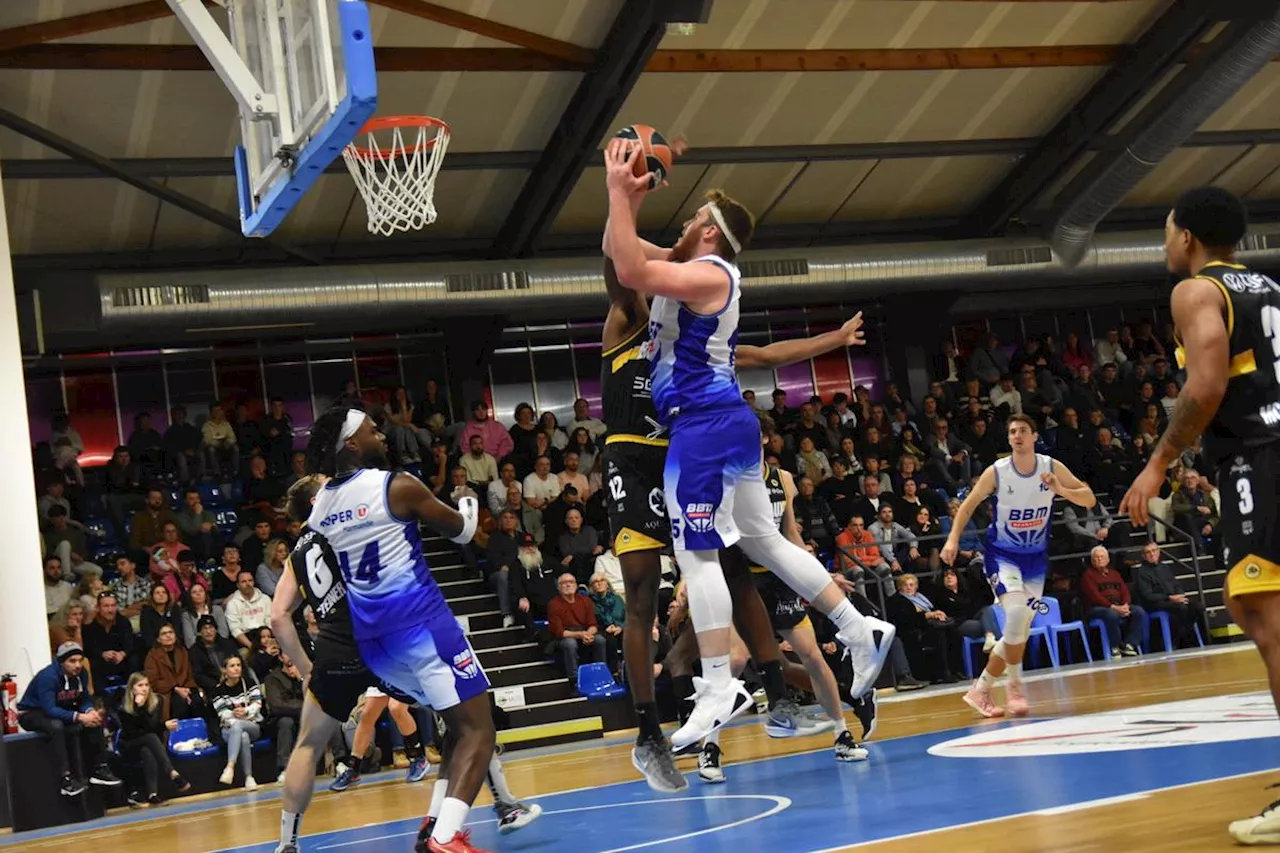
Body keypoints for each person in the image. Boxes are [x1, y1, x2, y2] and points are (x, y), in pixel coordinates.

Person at [600, 145, 890, 787]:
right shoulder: (696, 273)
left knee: (701, 557)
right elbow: (623, 253)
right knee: (759, 540)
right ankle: (857, 624)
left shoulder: (709, 274)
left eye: (691, 219)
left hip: (702, 428)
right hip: (729, 423)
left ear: (709, 230)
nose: (680, 228)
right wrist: (623, 194)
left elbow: (626, 260)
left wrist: (621, 193)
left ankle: (715, 689)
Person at [1115, 187, 1280, 844]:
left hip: (1260, 458)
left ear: (1186, 237)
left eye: (1166, 228)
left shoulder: (1195, 291)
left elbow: (1207, 383)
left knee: (1266, 619)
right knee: (1250, 610)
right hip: (1267, 451)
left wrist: (1157, 464)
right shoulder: (1266, 284)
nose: (1164, 240)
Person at [270, 474, 539, 853]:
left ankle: (286, 844)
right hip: (379, 636)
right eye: (324, 483)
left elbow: (278, 617)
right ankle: (502, 804)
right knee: (467, 718)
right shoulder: (340, 523)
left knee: (307, 744)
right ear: (319, 500)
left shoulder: (297, 556)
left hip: (333, 648)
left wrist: (306, 667)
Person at [306, 408, 502, 853]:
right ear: (351, 444)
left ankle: (433, 827)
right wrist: (467, 499)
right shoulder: (395, 484)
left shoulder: (320, 507)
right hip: (421, 628)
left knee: (457, 725)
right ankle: (447, 839)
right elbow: (463, 531)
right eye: (372, 430)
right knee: (479, 730)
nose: (382, 434)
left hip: (375, 645)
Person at [943, 414, 1097, 718]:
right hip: (1002, 555)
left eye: (1023, 431)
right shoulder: (998, 471)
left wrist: (1060, 490)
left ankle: (981, 689)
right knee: (1014, 614)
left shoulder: (1050, 467)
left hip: (1035, 559)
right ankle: (1015, 688)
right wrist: (952, 540)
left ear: (1034, 436)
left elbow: (1089, 499)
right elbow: (969, 504)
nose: (1017, 436)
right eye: (1012, 431)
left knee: (1018, 629)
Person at [749, 442, 868, 761]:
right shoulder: (731, 478)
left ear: (761, 439)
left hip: (779, 574)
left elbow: (791, 533)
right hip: (744, 580)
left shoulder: (782, 478)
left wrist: (821, 575)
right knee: (732, 661)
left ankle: (842, 734)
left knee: (812, 655)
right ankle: (711, 748)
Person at [16, 642, 121, 796]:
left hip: (60, 709)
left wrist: (90, 712)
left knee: (94, 721)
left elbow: (84, 699)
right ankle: (65, 779)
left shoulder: (82, 673)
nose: (78, 665)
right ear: (61, 662)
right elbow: (49, 709)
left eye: (80, 660)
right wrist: (79, 716)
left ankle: (99, 768)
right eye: (72, 661)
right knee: (57, 726)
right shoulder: (48, 677)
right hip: (31, 713)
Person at [117, 672, 190, 806]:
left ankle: (153, 794)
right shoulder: (124, 707)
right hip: (128, 744)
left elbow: (150, 727)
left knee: (147, 750)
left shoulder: (157, 701)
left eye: (146, 685)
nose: (144, 688)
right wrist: (138, 708)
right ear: (132, 688)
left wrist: (144, 708)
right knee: (149, 738)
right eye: (140, 685)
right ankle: (172, 773)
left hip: (149, 743)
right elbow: (132, 731)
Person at [1080, 546, 1145, 658]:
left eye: (1102, 557)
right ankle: (1115, 646)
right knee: (1110, 614)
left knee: (1138, 611)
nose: (1100, 559)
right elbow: (1095, 597)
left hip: (1118, 605)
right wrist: (1113, 607)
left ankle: (1130, 644)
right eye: (1097, 557)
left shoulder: (1115, 574)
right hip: (1097, 608)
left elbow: (1125, 591)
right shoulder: (1088, 575)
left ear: (1108, 559)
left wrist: (1125, 605)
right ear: (1092, 561)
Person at [211, 654, 265, 789]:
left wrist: (245, 712)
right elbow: (223, 715)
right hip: (229, 729)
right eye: (232, 666)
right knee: (242, 736)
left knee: (240, 726)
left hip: (252, 725)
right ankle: (249, 777)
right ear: (224, 670)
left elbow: (257, 705)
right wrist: (234, 714)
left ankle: (230, 766)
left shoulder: (250, 683)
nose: (236, 669)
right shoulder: (218, 691)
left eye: (238, 665)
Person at [144, 623, 205, 719]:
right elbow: (153, 681)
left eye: (171, 632)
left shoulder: (182, 651)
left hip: (185, 688)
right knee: (180, 704)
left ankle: (200, 732)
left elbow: (190, 675)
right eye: (164, 634)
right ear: (158, 639)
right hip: (166, 692)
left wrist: (187, 689)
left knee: (198, 701)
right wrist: (175, 688)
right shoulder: (152, 656)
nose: (168, 635)